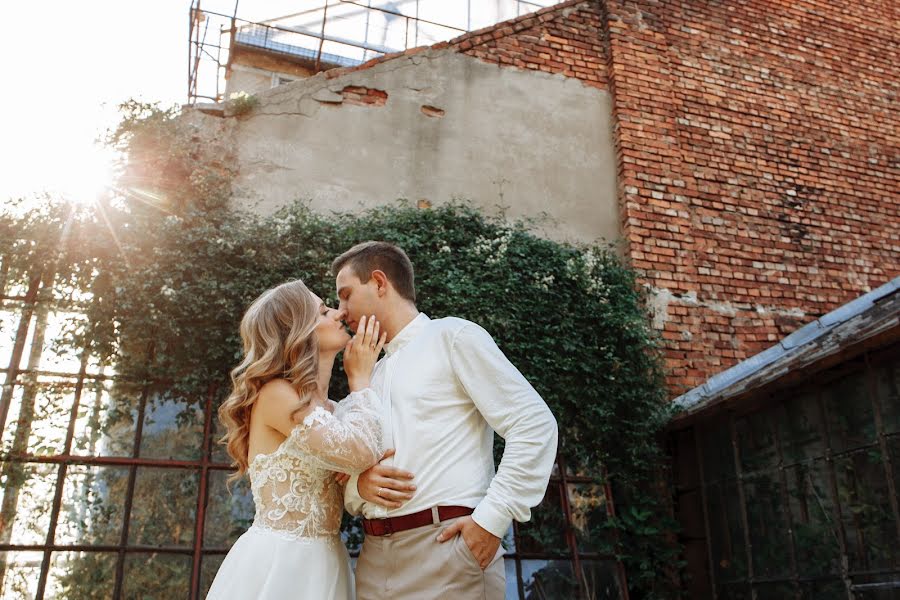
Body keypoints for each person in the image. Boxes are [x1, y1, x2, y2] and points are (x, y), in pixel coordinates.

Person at [333, 241, 559, 599]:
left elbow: (533, 424)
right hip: (373, 561)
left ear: (379, 282)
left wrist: (491, 520)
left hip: (448, 550)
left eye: (346, 295)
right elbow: (342, 466)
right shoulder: (368, 374)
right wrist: (358, 486)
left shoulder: (452, 337)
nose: (341, 310)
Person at [207, 279, 386, 600]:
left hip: (328, 564)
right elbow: (360, 453)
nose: (337, 313)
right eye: (322, 311)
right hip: (281, 564)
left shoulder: (333, 410)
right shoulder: (276, 395)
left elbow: (362, 455)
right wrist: (360, 379)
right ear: (298, 331)